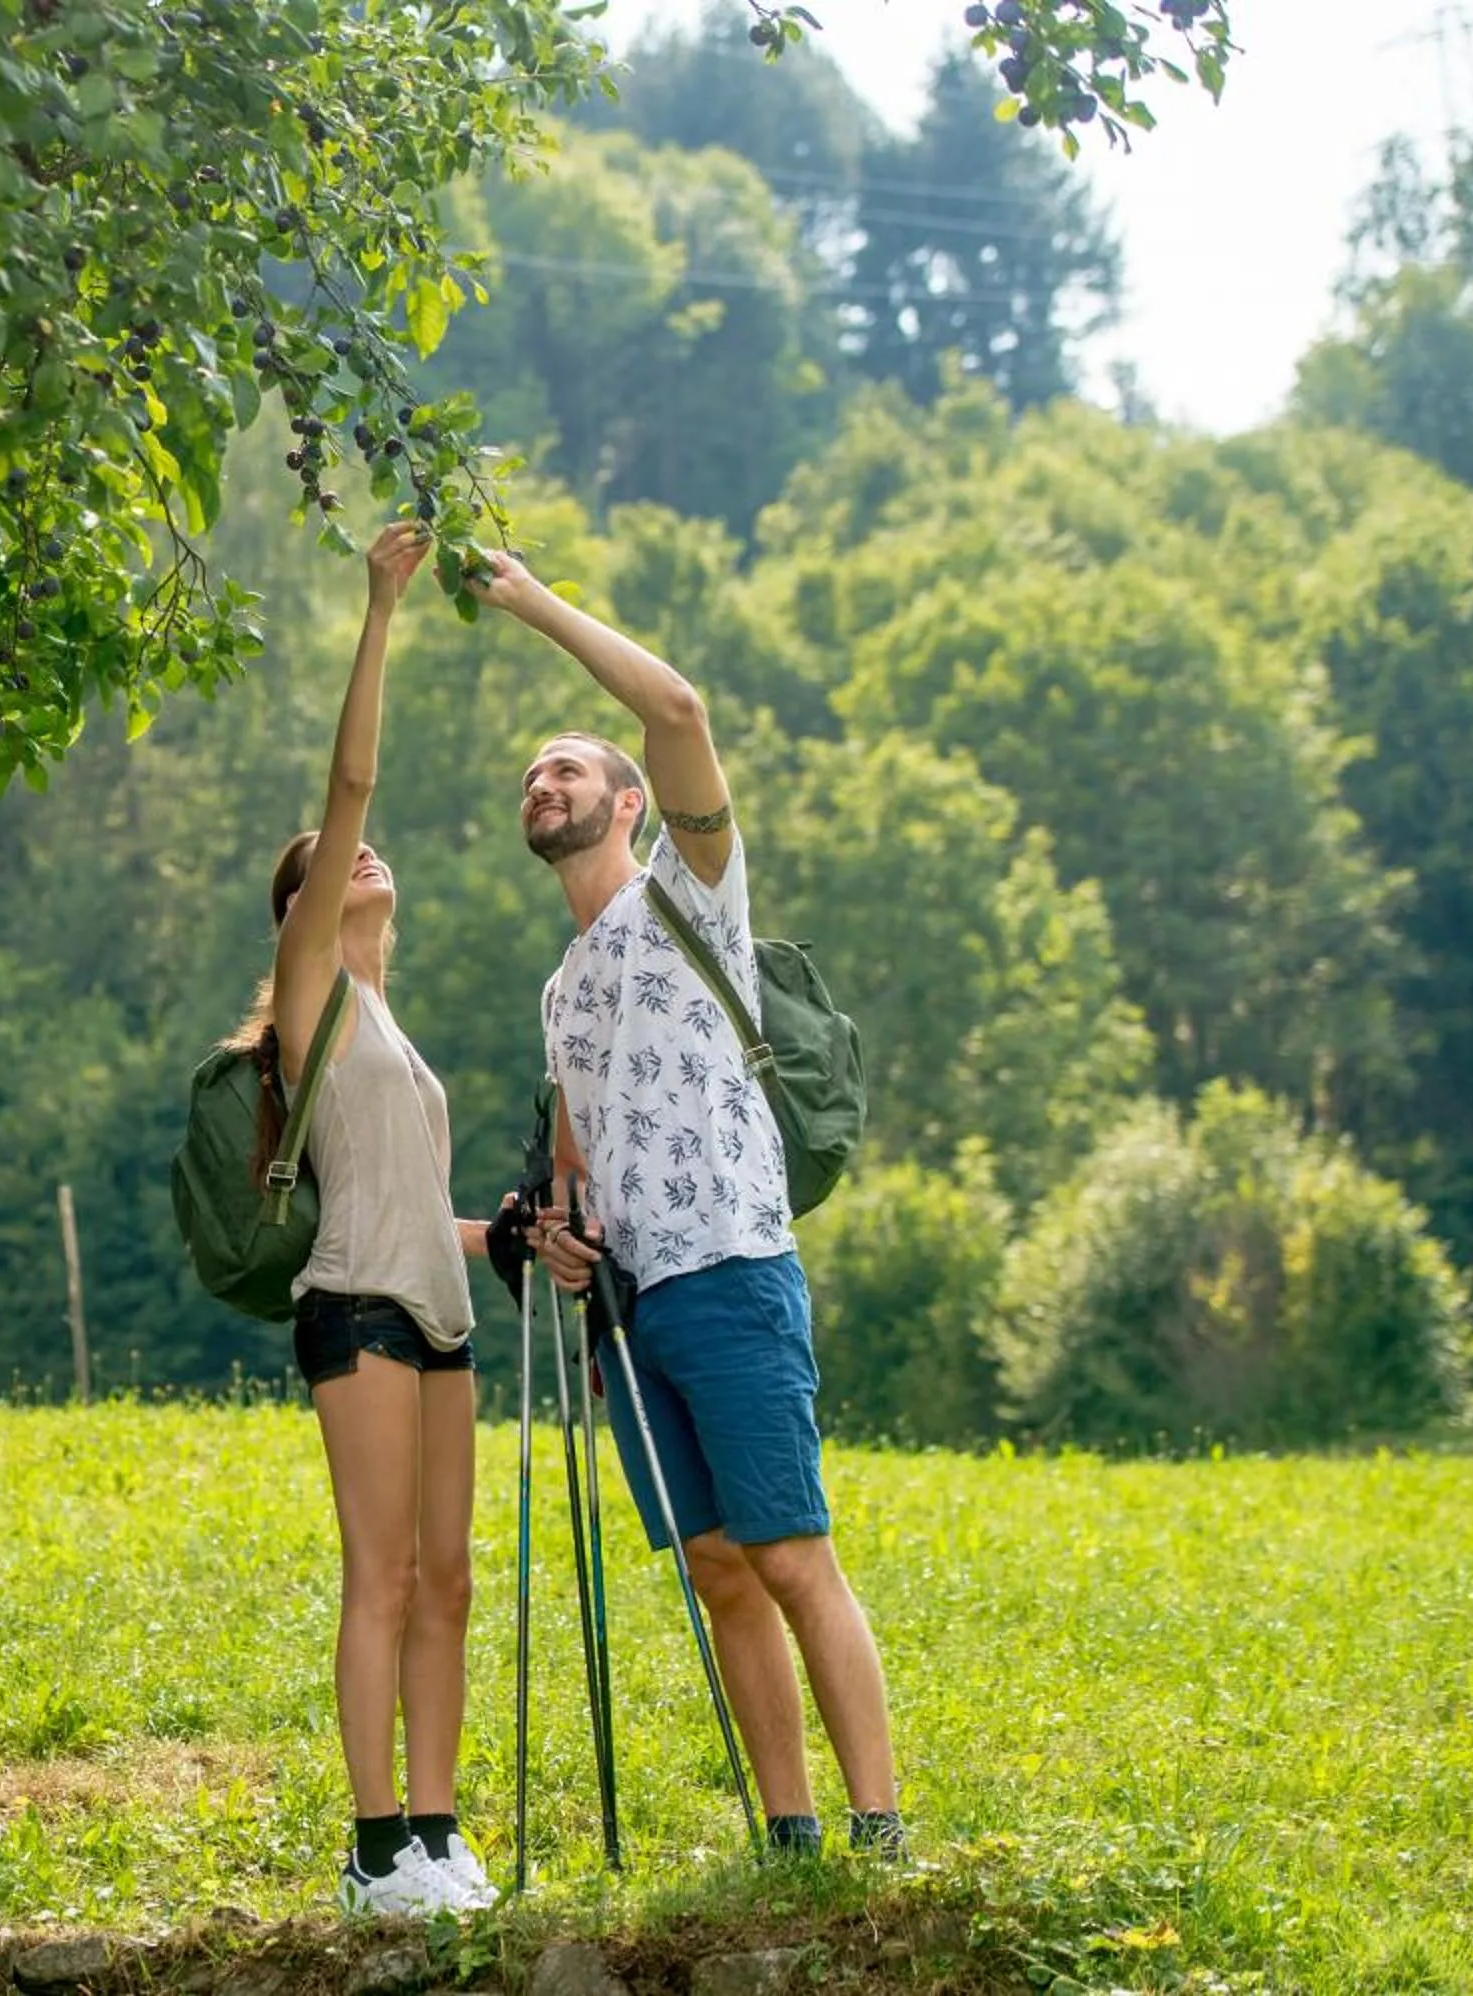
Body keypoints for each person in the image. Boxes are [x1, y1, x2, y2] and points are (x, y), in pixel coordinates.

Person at [467, 548, 906, 1862]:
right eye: (531, 776)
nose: (542, 784)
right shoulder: (560, 991)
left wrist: (530, 603)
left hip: (731, 1268)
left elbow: (679, 709)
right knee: (718, 1569)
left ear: (629, 802)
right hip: (632, 1313)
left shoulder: (690, 896)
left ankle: (881, 1831)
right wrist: (555, 1237)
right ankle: (790, 1836)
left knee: (791, 1555)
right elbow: (573, 1170)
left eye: (566, 768)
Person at [236, 520, 496, 1915]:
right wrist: (382, 608)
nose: (362, 854)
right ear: (302, 908)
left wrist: (502, 1236)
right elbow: (351, 782)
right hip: (355, 1313)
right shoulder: (313, 997)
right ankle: (374, 1846)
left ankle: (439, 1838)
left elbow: (410, 1206)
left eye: (368, 856)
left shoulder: (391, 1024)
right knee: (382, 1574)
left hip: (439, 1314)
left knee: (448, 1580)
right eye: (334, 863)